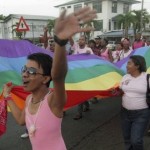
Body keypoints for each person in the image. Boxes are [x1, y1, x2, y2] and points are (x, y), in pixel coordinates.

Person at [2, 7, 97, 150]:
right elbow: (22, 121)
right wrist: (8, 96)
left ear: (46, 78)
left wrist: (60, 42)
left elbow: (58, 76)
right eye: (24, 70)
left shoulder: (53, 100)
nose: (25, 74)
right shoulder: (29, 99)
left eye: (32, 71)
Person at [119, 55, 150, 150]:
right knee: (127, 139)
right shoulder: (125, 77)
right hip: (125, 113)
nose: (126, 65)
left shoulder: (147, 78)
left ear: (137, 66)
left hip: (141, 114)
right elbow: (121, 91)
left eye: (129, 63)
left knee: (136, 140)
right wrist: (116, 92)